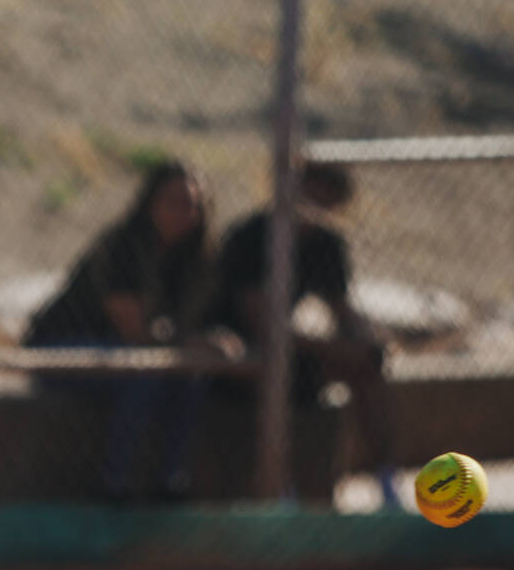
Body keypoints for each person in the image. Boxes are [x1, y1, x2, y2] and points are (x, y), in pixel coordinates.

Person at [25, 158, 237, 502]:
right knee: (145, 373)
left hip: (125, 351)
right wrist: (195, 341)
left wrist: (209, 342)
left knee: (190, 376)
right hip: (59, 347)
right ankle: (114, 486)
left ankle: (170, 482)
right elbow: (136, 333)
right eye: (175, 202)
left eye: (194, 205)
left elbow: (181, 324)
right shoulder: (125, 245)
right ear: (151, 203)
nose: (186, 213)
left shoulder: (190, 258)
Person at [210, 160, 400, 506]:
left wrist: (366, 340)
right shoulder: (250, 235)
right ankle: (282, 492)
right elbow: (262, 325)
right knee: (284, 372)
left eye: (327, 196)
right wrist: (335, 348)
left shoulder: (326, 243)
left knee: (368, 368)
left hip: (298, 348)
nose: (316, 203)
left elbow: (341, 308)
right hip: (239, 346)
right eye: (310, 191)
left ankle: (387, 484)